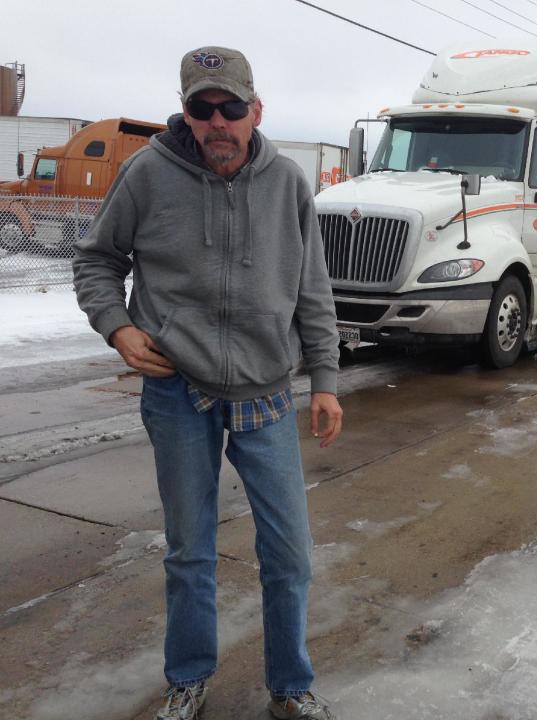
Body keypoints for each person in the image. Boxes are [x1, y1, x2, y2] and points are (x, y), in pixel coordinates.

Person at [73, 46, 342, 720]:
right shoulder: (145, 174)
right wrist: (119, 328)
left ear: (255, 109)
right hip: (177, 394)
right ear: (186, 112)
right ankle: (188, 678)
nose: (217, 121)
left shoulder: (288, 183)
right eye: (203, 107)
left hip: (268, 395)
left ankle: (291, 687)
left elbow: (313, 290)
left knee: (288, 554)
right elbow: (97, 260)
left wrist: (328, 380)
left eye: (231, 107)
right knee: (189, 551)